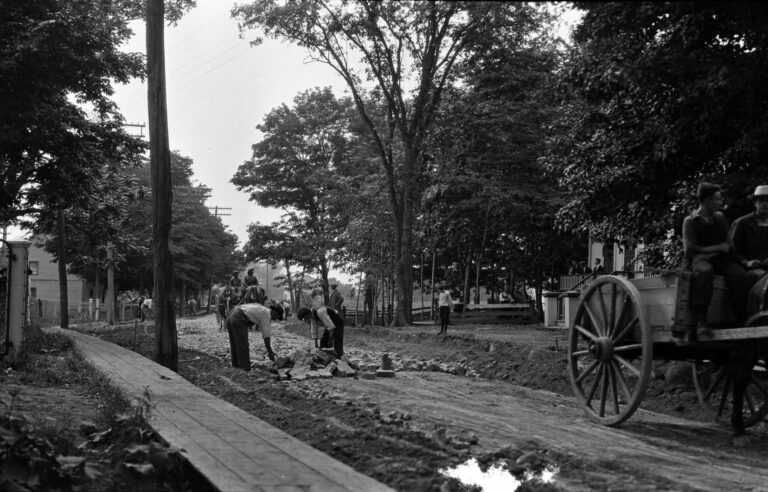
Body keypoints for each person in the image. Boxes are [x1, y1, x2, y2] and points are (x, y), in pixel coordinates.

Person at [682, 182, 751, 342]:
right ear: (706, 201)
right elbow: (690, 250)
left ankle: (739, 318)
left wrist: (743, 261)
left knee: (742, 276)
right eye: (717, 200)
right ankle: (701, 320)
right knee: (704, 272)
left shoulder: (719, 218)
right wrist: (718, 247)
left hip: (719, 259)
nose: (721, 203)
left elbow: (728, 246)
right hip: (700, 260)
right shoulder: (690, 221)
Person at [730, 185, 768, 314]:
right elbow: (732, 250)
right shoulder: (742, 223)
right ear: (755, 203)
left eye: (767, 201)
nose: (765, 204)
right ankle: (756, 315)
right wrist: (746, 262)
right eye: (761, 201)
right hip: (747, 270)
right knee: (762, 279)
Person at [225, 301, 280, 371]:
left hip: (232, 315)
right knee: (242, 345)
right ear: (274, 312)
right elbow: (266, 336)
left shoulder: (263, 309)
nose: (276, 319)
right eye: (277, 316)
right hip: (239, 318)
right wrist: (270, 352)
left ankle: (235, 368)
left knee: (235, 344)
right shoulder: (266, 315)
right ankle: (244, 370)